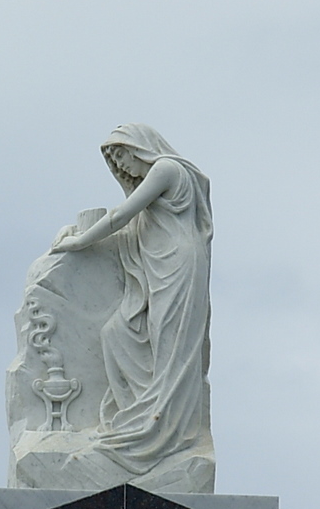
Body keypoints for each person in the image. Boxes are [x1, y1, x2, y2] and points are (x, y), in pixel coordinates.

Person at [51, 123, 213, 475]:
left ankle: (161, 434)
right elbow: (128, 227)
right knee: (117, 333)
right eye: (115, 161)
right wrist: (78, 232)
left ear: (139, 147)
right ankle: (141, 416)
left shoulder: (167, 169)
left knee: (171, 353)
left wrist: (81, 242)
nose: (121, 166)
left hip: (178, 266)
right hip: (159, 267)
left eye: (122, 155)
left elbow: (122, 216)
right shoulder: (158, 183)